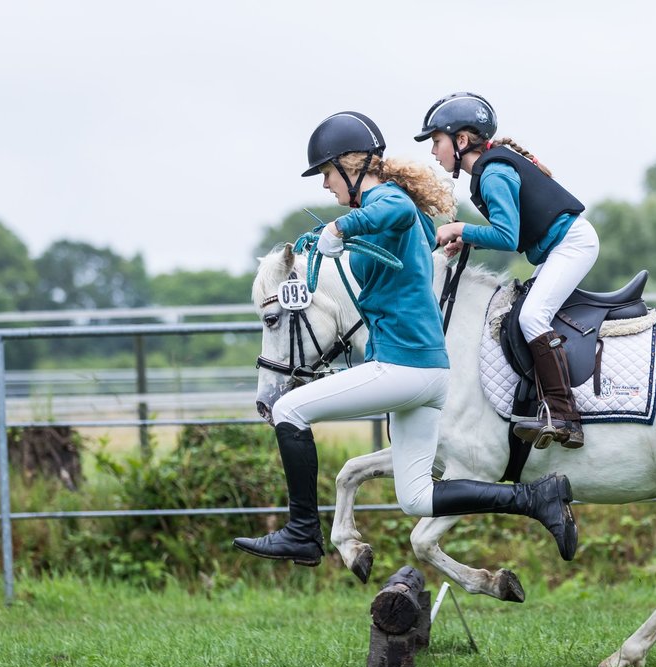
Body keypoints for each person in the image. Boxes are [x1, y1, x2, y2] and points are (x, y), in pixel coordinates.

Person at [233, 110, 578, 567]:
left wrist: (339, 228)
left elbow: (389, 208)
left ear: (352, 165)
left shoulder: (391, 202)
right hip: (426, 371)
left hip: (404, 366)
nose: (324, 186)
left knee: (289, 409)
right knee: (416, 498)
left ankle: (302, 534)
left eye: (327, 173)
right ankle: (537, 499)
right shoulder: (389, 215)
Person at [416, 92, 599, 450]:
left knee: (532, 318)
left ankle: (565, 415)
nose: (433, 152)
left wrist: (459, 230)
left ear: (462, 140)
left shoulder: (493, 173)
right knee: (525, 316)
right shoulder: (490, 170)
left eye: (436, 141)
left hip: (572, 244)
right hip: (560, 247)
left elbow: (506, 235)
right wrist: (468, 239)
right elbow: (510, 234)